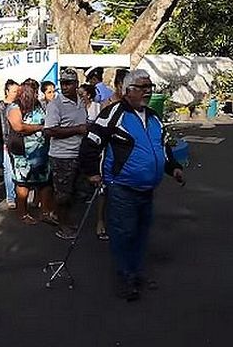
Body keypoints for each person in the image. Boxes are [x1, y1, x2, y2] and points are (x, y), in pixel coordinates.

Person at [79, 69, 185, 301]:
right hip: (121, 188)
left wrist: (173, 168)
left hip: (147, 189)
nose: (148, 92)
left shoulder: (154, 117)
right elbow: (90, 144)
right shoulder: (113, 114)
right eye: (142, 88)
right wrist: (91, 173)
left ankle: (135, 272)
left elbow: (163, 148)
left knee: (140, 233)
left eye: (150, 87)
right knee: (124, 233)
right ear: (128, 92)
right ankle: (125, 276)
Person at [44, 68, 88, 239]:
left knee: (76, 192)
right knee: (62, 194)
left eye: (69, 83)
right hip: (62, 155)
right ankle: (62, 226)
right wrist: (77, 129)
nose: (65, 86)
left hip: (78, 153)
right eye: (62, 83)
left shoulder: (80, 101)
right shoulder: (56, 104)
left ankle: (65, 218)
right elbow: (49, 131)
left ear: (76, 84)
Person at [6, 82, 54, 225]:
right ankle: (22, 213)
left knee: (45, 182)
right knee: (23, 183)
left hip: (41, 151)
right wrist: (39, 127)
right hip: (23, 152)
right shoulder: (14, 107)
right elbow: (18, 126)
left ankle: (45, 212)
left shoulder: (38, 105)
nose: (36, 94)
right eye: (34, 92)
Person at [0, 79, 20, 210]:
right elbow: (0, 126)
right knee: (8, 169)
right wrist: (3, 141)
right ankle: (10, 196)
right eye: (14, 91)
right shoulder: (0, 106)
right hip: (6, 141)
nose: (17, 93)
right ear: (7, 91)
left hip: (18, 141)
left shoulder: (19, 105)